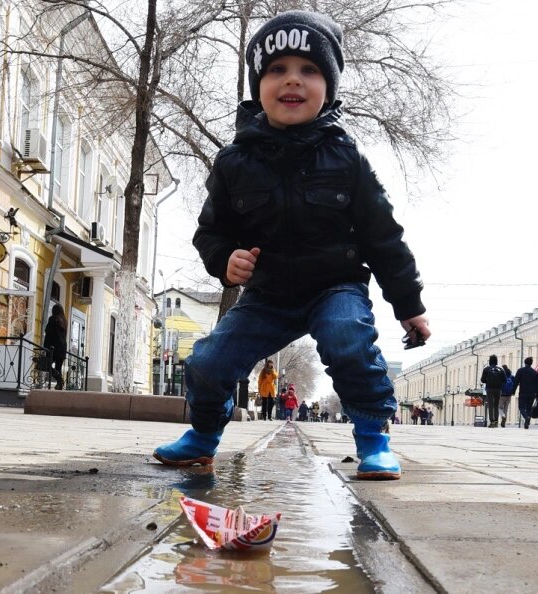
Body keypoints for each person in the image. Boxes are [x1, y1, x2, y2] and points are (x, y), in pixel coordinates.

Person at [153, 10, 430, 481]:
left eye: (309, 70)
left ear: (329, 86)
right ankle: (202, 435)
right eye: (277, 70)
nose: (292, 82)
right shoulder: (234, 161)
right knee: (206, 361)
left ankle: (373, 440)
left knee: (347, 339)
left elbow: (384, 237)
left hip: (335, 286)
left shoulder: (347, 157)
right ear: (258, 85)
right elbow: (210, 231)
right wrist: (225, 261)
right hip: (268, 296)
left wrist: (409, 305)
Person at [42, 304, 67, 389]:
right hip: (62, 348)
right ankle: (59, 385)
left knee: (45, 365)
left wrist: (45, 347)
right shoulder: (64, 321)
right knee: (58, 368)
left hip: (54, 348)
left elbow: (48, 332)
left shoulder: (53, 319)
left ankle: (59, 379)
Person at [513, 357, 538, 430]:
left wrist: (513, 391)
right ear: (531, 363)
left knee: (521, 407)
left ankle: (526, 418)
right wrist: (537, 394)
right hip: (532, 393)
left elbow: (516, 382)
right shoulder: (535, 372)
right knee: (529, 408)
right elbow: (537, 384)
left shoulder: (520, 371)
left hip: (523, 392)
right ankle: (527, 424)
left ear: (525, 363)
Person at [480, 355, 505, 428]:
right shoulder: (501, 369)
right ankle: (496, 421)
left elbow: (482, 380)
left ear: (490, 361)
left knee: (490, 405)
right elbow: (504, 380)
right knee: (496, 405)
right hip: (498, 389)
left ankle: (492, 422)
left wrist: (488, 380)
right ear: (496, 360)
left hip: (490, 389)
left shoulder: (486, 369)